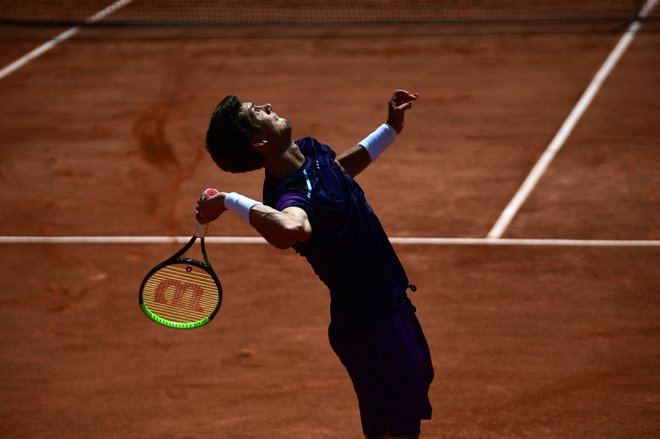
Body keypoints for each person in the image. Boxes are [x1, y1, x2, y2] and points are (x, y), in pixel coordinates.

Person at [196, 90, 434, 439]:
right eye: (255, 111)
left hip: (396, 309)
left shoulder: (310, 152)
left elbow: (339, 172)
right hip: (370, 326)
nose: (267, 106)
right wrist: (228, 200)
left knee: (404, 420)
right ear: (260, 140)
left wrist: (389, 130)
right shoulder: (288, 198)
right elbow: (292, 228)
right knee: (392, 431)